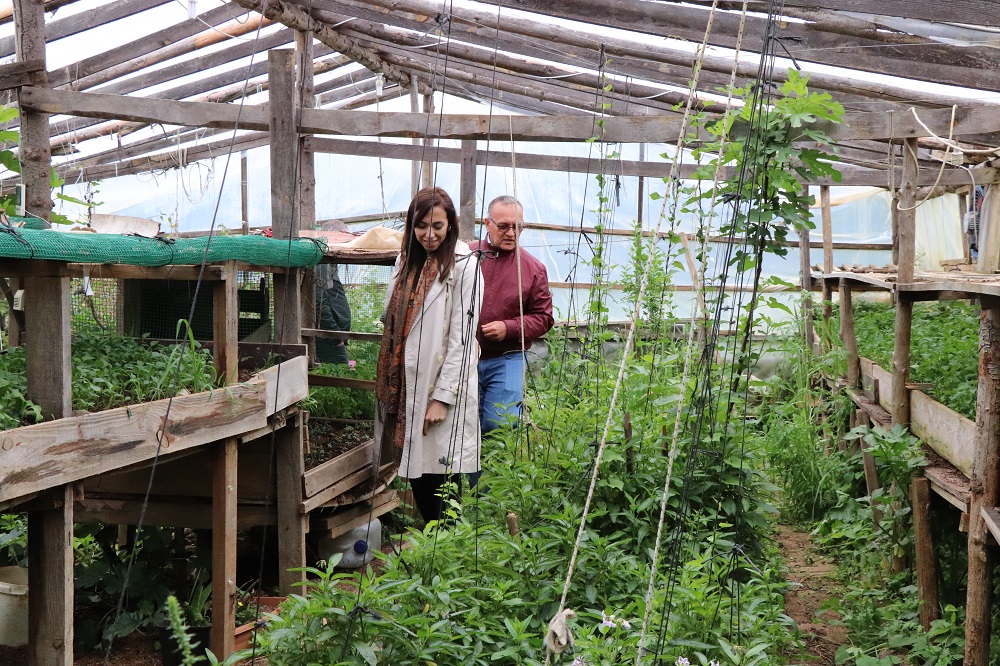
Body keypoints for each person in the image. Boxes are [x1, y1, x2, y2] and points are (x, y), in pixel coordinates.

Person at [374, 187, 483, 524]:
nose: (429, 234)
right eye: (421, 226)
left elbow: (462, 341)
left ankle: (449, 550)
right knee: (417, 471)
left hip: (437, 386)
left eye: (438, 225)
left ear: (450, 224)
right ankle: (434, 548)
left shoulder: (465, 265)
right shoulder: (406, 259)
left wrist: (443, 397)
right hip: (407, 384)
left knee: (440, 474)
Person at [470, 195, 554, 436]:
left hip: (507, 357)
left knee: (499, 424)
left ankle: (494, 469)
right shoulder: (467, 257)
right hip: (465, 356)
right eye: (503, 226)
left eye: (517, 226)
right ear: (487, 223)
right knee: (463, 426)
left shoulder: (532, 268)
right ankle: (465, 472)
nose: (511, 233)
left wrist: (509, 327)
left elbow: (544, 318)